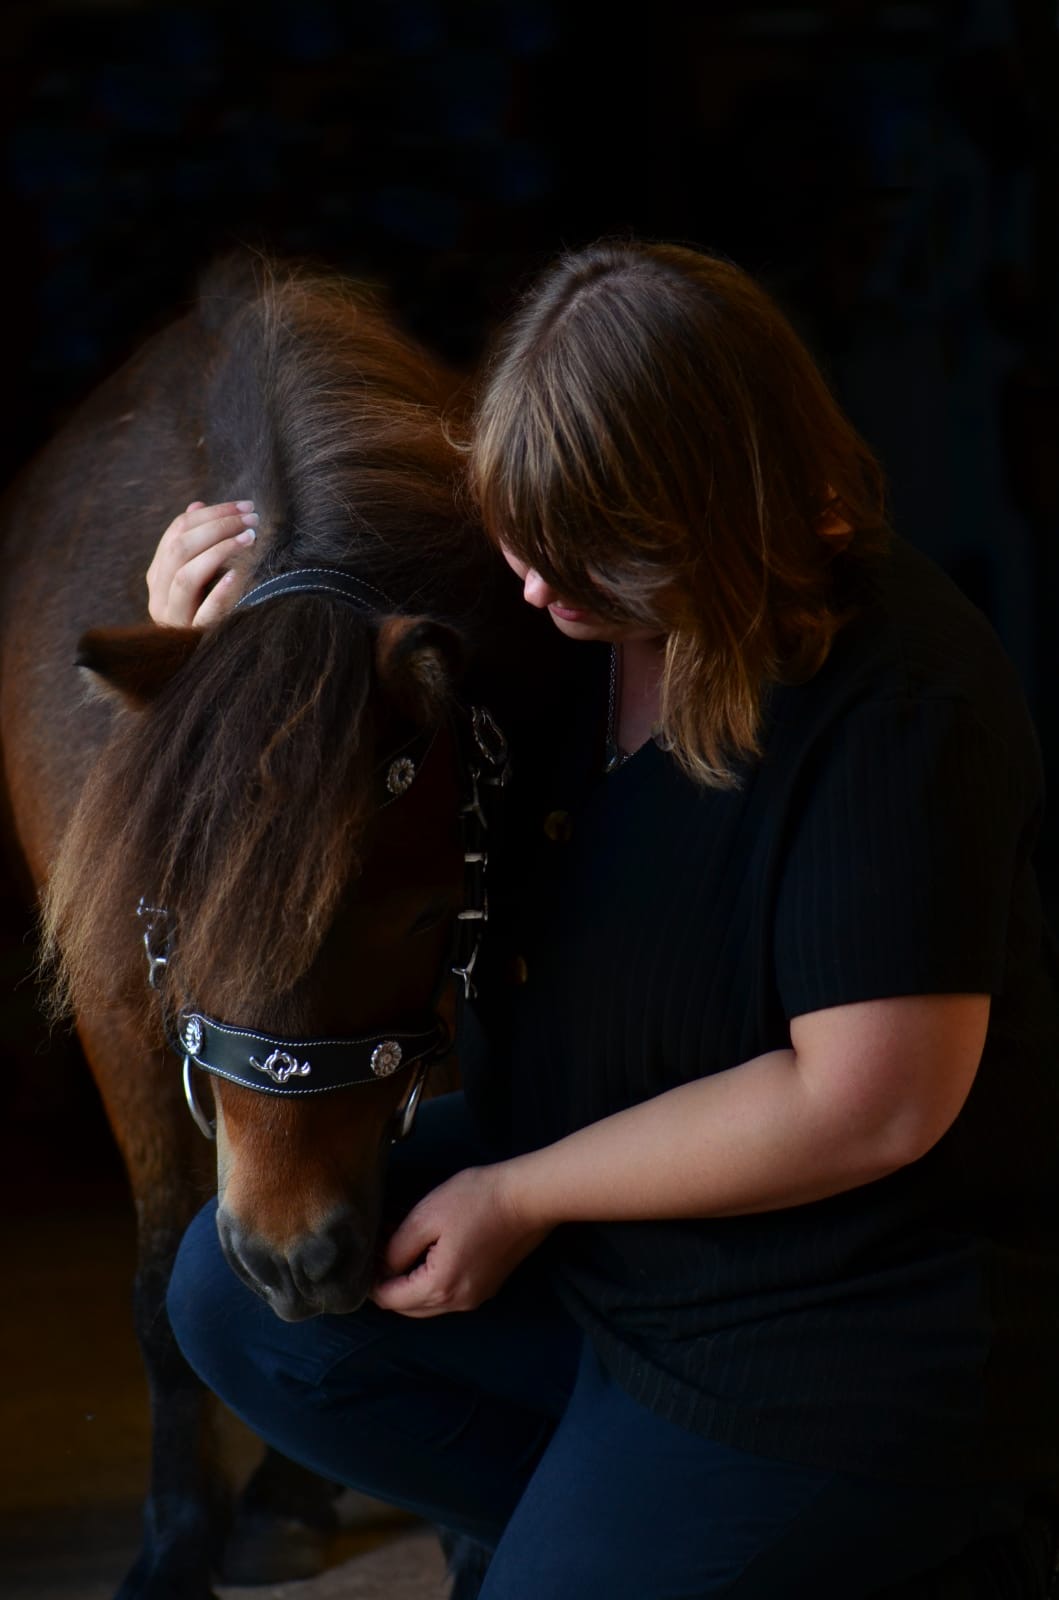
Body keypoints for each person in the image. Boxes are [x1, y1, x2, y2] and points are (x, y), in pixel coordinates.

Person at [155, 242, 1059, 1597]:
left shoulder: (898, 701)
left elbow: (871, 1105)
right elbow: (309, 805)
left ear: (716, 515)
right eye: (523, 540)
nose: (530, 590)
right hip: (612, 1273)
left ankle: (917, 1534)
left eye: (587, 555)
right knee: (236, 1306)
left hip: (826, 1339)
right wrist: (204, 660)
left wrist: (521, 1195)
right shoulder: (579, 618)